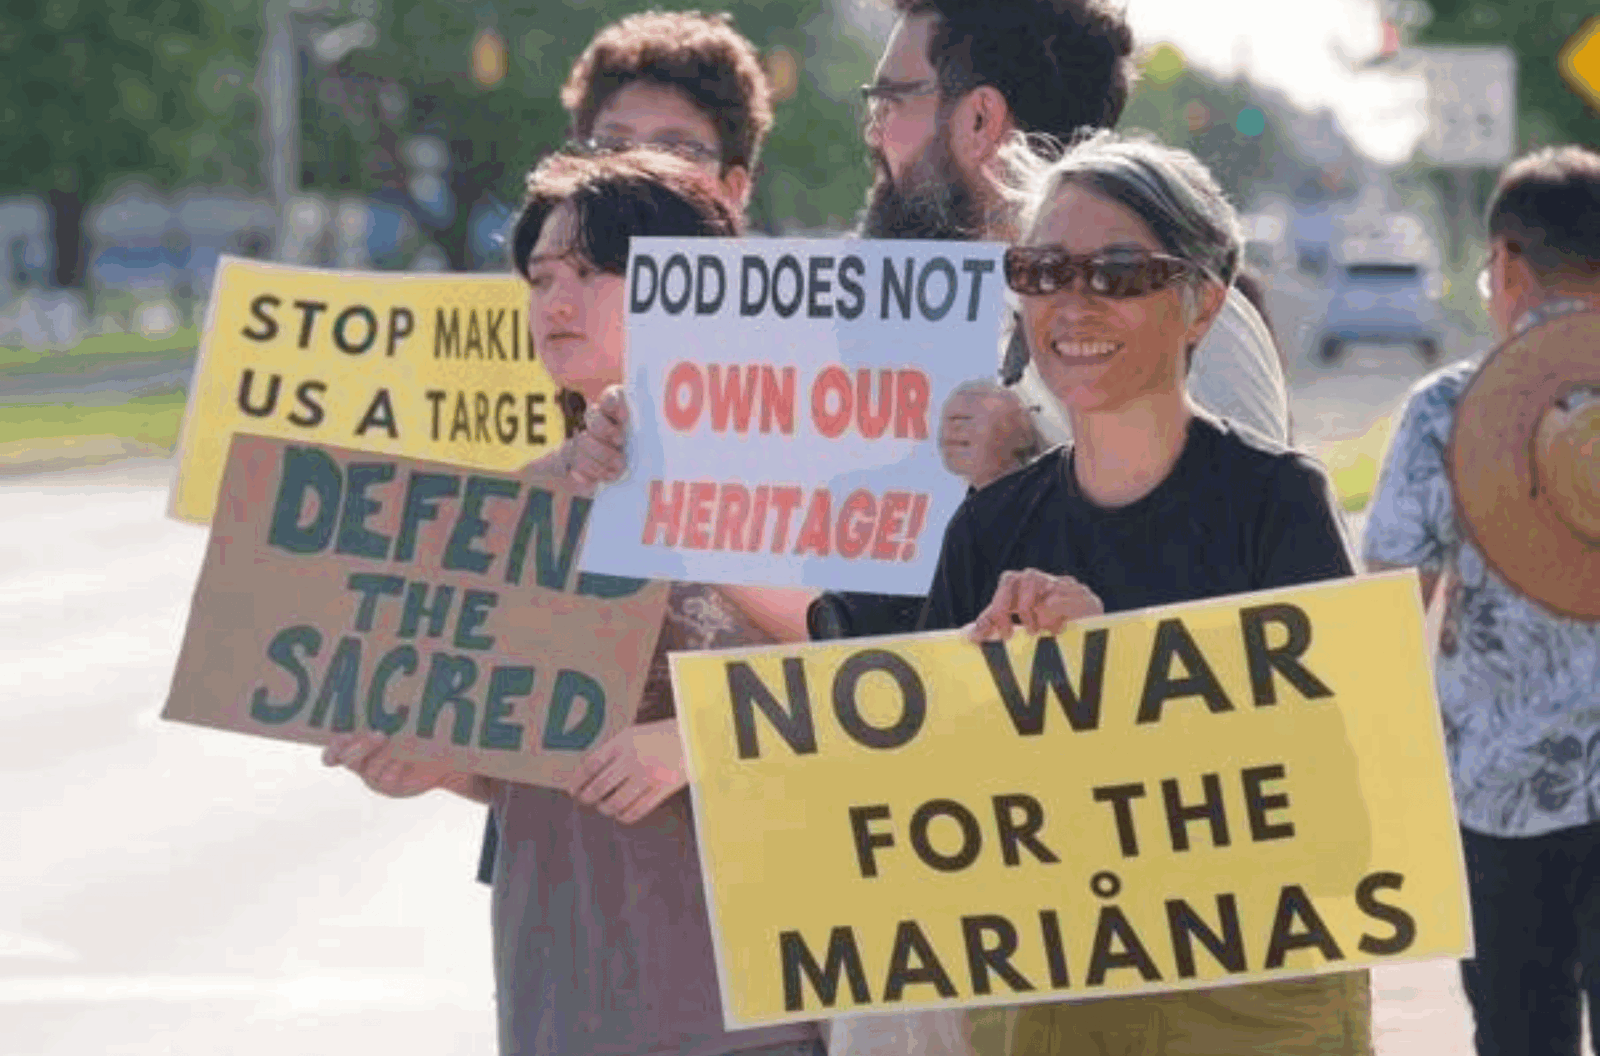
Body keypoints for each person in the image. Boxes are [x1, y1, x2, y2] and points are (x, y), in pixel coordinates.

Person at [324, 149, 825, 1056]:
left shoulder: (797, 482)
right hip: (560, 992)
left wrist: (697, 745)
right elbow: (526, 756)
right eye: (542, 276)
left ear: (695, 289)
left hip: (751, 1007)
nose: (557, 301)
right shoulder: (512, 508)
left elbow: (873, 689)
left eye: (596, 273)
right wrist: (436, 761)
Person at [920, 132, 1371, 1055]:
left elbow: (1346, 800)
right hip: (1051, 1011)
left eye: (1119, 272)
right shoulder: (985, 530)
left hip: (1259, 1010)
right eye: (1042, 269)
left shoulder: (1278, 504)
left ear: (1202, 303)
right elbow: (928, 807)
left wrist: (1117, 671)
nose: (1073, 301)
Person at [807, 0, 1292, 641]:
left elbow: (1255, 608)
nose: (875, 134)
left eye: (890, 102)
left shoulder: (1184, 313)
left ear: (979, 119)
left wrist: (1028, 476)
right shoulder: (913, 327)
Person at [1363, 144, 1600, 1056]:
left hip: (1500, 801)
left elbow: (1390, 614)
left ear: (1506, 263)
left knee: (1520, 1034)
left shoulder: (1448, 410)